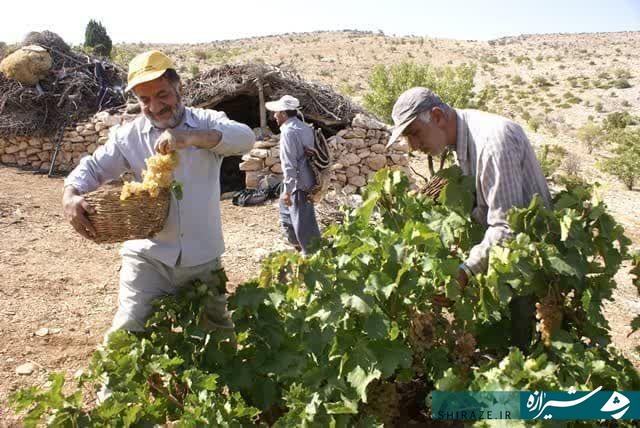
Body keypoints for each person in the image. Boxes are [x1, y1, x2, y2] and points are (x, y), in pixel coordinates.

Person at [62, 50, 255, 338]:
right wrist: (70, 192)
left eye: (162, 94)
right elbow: (94, 167)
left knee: (215, 334)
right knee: (128, 330)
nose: (155, 106)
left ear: (179, 89)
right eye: (145, 100)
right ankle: (114, 385)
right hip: (148, 256)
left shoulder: (207, 120)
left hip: (202, 257)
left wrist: (192, 138)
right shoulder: (129, 136)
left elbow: (245, 139)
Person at [386, 87, 552, 349]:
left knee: (523, 346)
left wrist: (464, 272)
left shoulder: (492, 143)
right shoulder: (461, 138)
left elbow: (507, 227)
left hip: (527, 263)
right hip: (507, 258)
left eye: (414, 133)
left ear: (438, 116)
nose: (413, 146)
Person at [265, 95, 321, 255]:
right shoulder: (305, 128)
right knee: (287, 216)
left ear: (283, 113)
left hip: (298, 183)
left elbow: (290, 166)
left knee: (303, 222)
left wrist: (288, 191)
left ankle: (312, 257)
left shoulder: (288, 133)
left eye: (276, 112)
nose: (274, 116)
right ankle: (300, 248)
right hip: (308, 179)